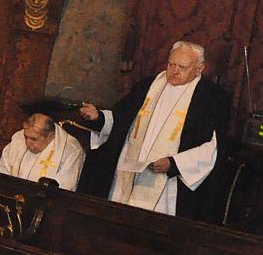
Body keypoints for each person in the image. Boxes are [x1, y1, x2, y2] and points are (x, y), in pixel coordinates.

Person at [80, 41, 229, 217]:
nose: (174, 71)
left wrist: (174, 164)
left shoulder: (211, 98)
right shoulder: (149, 85)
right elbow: (119, 119)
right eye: (171, 64)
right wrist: (98, 117)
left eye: (182, 67)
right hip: (128, 171)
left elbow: (211, 149)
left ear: (199, 69)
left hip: (167, 183)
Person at [0, 112, 84, 190]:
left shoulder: (71, 150)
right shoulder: (18, 138)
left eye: (34, 139)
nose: (27, 143)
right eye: (26, 137)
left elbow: (64, 189)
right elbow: (1, 171)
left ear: (50, 136)